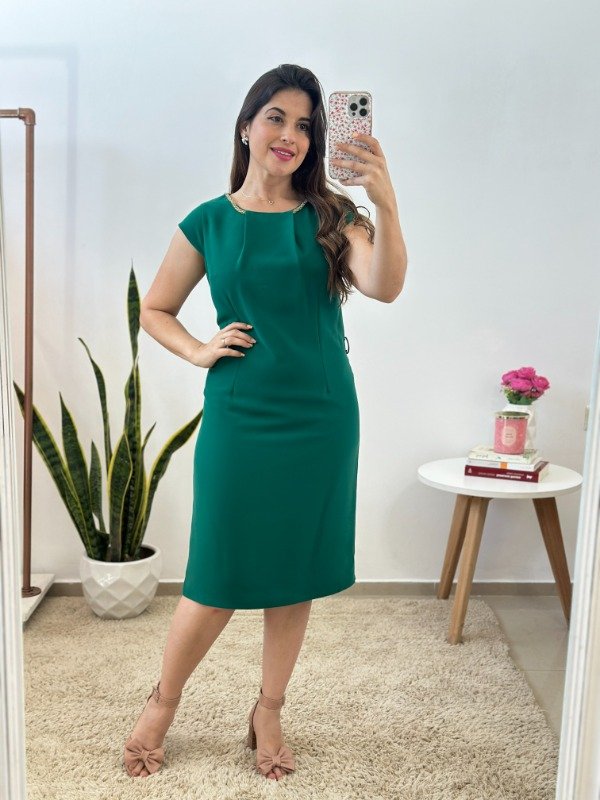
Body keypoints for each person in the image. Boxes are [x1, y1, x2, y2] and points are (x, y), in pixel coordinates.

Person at [123, 63, 407, 781]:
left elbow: (384, 286)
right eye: (276, 117)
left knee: (293, 572)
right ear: (246, 126)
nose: (291, 134)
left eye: (306, 124)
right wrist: (198, 349)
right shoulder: (209, 221)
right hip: (242, 414)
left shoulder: (333, 215)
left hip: (321, 417)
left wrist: (383, 199)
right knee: (216, 573)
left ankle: (269, 709)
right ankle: (162, 702)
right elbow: (154, 307)